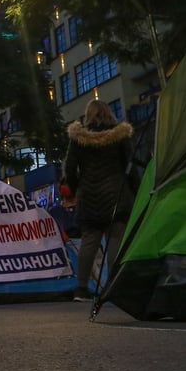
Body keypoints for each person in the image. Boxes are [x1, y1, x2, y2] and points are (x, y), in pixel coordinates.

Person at [64, 100, 134, 302]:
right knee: (115, 241)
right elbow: (129, 165)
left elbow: (69, 169)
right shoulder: (120, 135)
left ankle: (81, 289)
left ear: (89, 114)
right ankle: (113, 288)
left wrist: (78, 188)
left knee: (89, 242)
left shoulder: (78, 138)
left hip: (89, 197)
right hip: (116, 196)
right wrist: (135, 190)